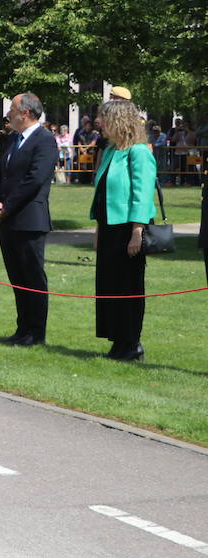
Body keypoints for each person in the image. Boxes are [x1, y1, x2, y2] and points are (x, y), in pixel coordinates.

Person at [90, 99, 157, 362]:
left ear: (118, 120)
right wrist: (97, 227)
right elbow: (102, 192)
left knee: (128, 285)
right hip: (108, 227)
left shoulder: (139, 152)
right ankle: (117, 340)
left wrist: (137, 232)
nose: (99, 123)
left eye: (104, 118)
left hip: (128, 229)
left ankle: (131, 342)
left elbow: (142, 195)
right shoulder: (110, 151)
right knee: (109, 285)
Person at [0, 93, 58, 347]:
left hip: (29, 218)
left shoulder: (44, 141)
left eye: (12, 109)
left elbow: (34, 179)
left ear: (25, 113)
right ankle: (22, 328)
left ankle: (35, 332)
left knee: (32, 277)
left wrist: (7, 206)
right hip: (8, 219)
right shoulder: (11, 140)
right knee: (17, 277)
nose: (8, 114)